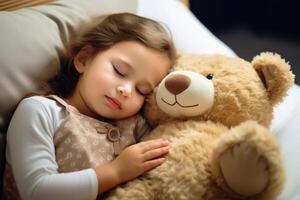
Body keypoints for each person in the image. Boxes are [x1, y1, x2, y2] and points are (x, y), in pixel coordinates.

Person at [4, 13, 177, 200]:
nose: (126, 90)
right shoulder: (40, 111)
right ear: (84, 59)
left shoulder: (136, 125)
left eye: (141, 90)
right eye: (119, 71)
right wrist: (116, 171)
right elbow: (37, 191)